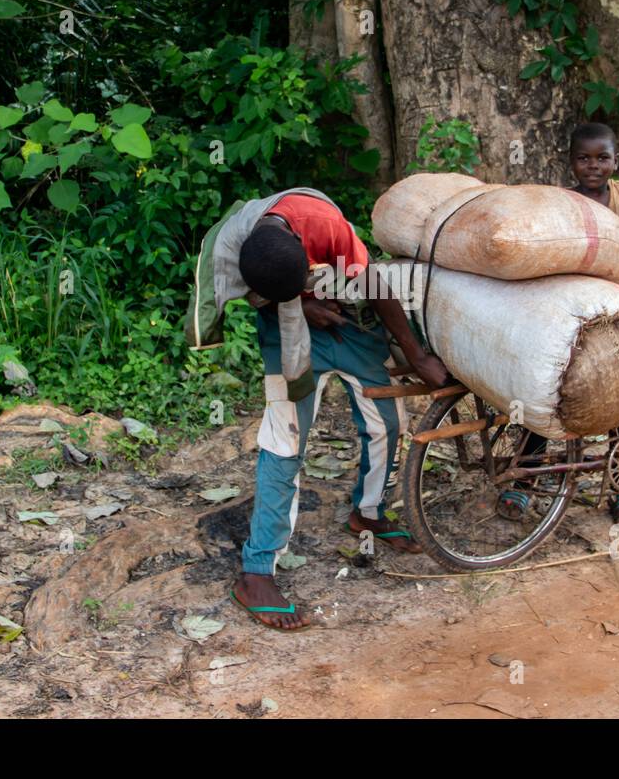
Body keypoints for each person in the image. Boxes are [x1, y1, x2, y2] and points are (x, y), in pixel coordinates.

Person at [186, 188, 449, 630]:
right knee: (284, 443)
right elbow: (253, 293)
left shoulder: (320, 222)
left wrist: (416, 354)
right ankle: (257, 572)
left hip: (347, 320)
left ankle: (368, 513)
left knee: (386, 423)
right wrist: (298, 307)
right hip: (286, 329)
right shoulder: (233, 246)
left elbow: (372, 283)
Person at [507, 123, 619, 526]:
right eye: (584, 158)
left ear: (615, 161)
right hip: (575, 318)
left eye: (602, 158)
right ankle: (525, 478)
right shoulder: (562, 202)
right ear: (570, 162)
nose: (593, 166)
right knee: (554, 392)